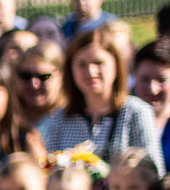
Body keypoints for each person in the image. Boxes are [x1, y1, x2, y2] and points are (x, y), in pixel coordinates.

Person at [39, 27, 161, 164]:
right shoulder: (60, 118)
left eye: (98, 63)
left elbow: (152, 171)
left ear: (115, 65)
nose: (91, 72)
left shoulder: (136, 112)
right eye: (82, 64)